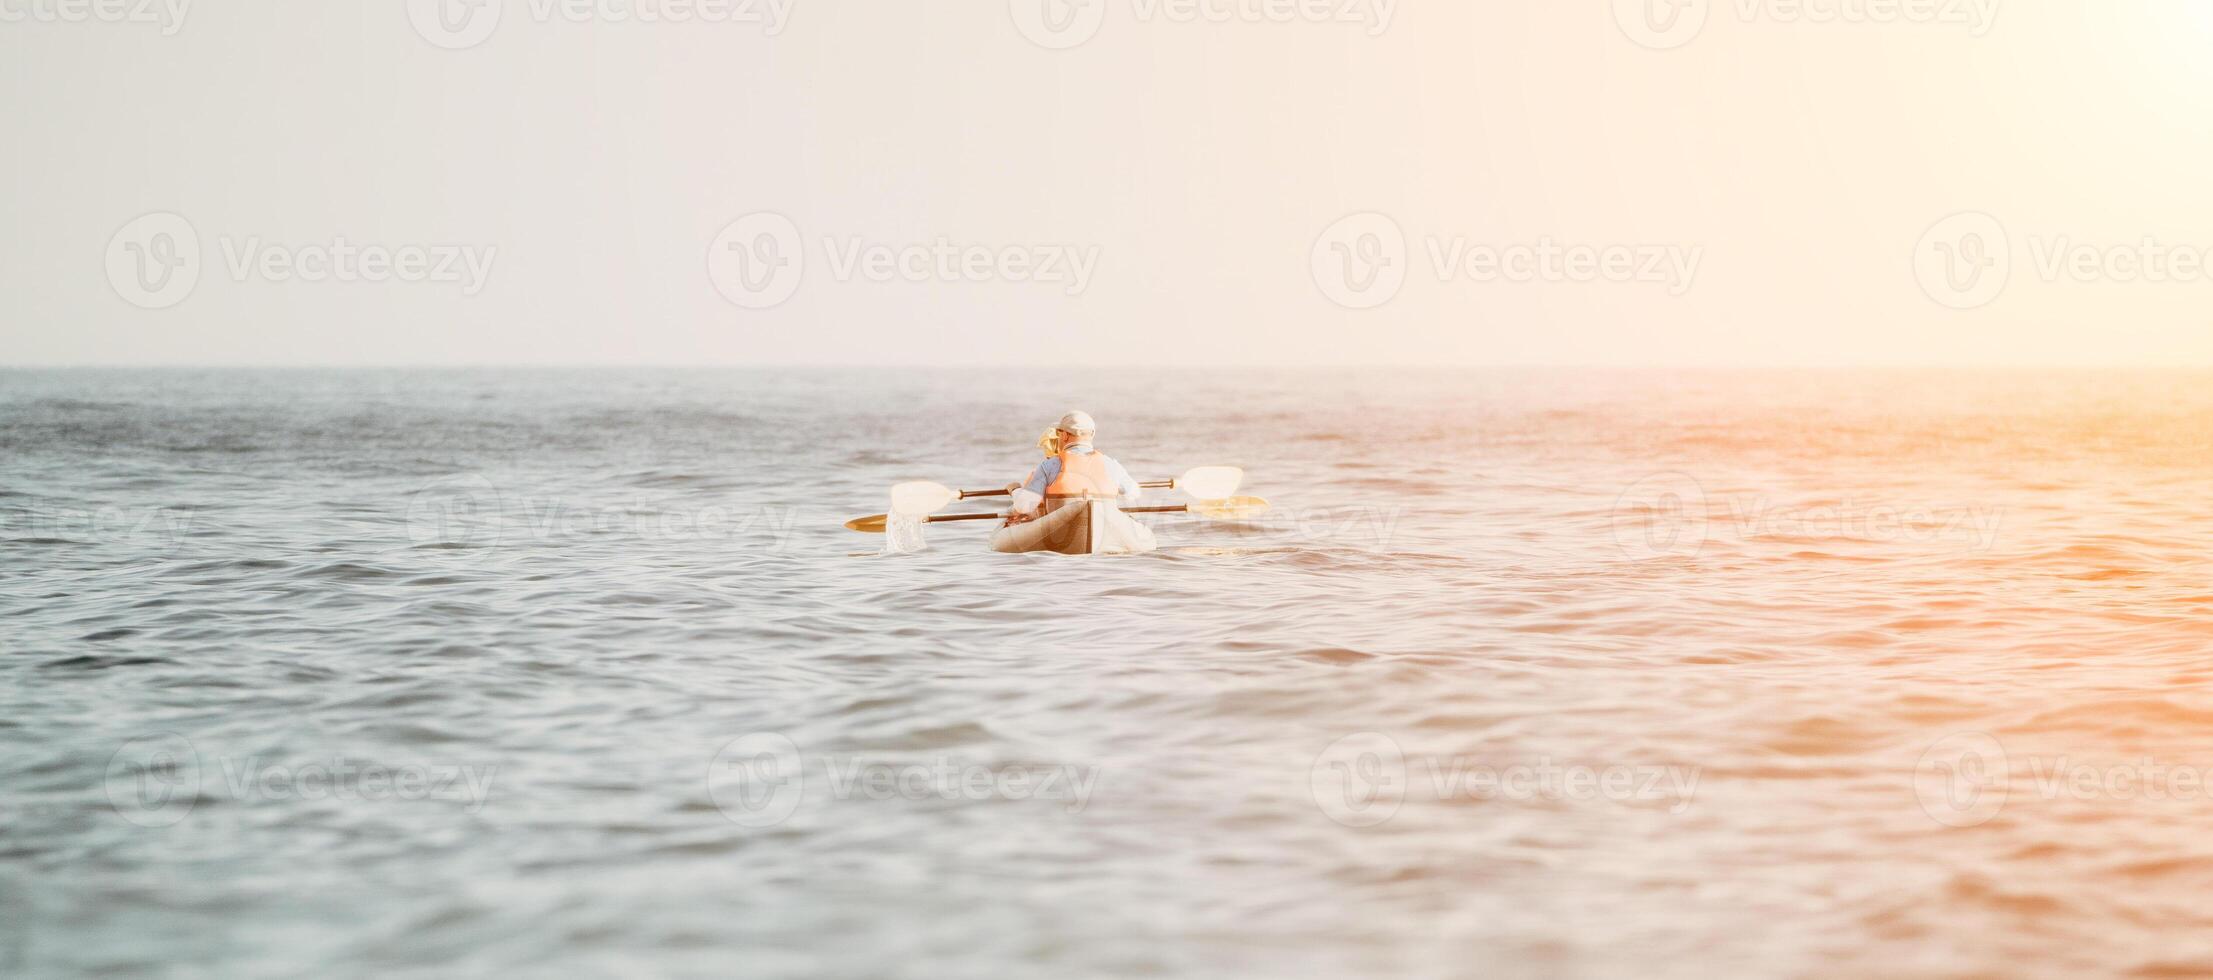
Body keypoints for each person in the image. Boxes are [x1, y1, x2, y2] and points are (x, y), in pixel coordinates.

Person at [1005, 411, 1141, 524]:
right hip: (1102, 525)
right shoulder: (1111, 465)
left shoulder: (1049, 465)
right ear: (1092, 434)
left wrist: (1015, 490)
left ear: (1064, 435)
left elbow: (1024, 506)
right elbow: (1133, 493)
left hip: (1059, 528)